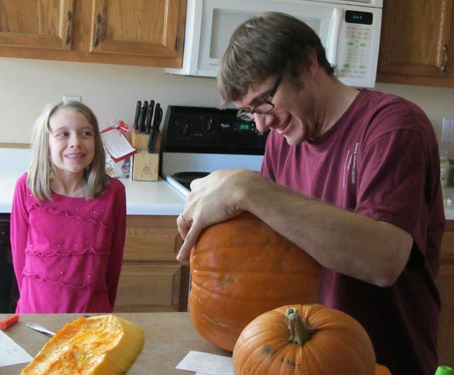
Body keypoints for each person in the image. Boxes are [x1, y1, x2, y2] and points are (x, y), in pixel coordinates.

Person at [176, 12, 444, 375]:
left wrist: (252, 189)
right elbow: (270, 255)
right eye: (249, 113)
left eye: (265, 101)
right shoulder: (282, 142)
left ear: (308, 64)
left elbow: (384, 260)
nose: (261, 123)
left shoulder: (393, 127)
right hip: (298, 360)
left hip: (383, 361)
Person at [10, 100, 126, 313]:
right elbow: (19, 261)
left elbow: (113, 264)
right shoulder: (26, 188)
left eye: (86, 133)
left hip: (92, 317)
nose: (76, 143)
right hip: (36, 313)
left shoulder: (113, 193)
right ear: (46, 142)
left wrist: (106, 311)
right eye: (63, 134)